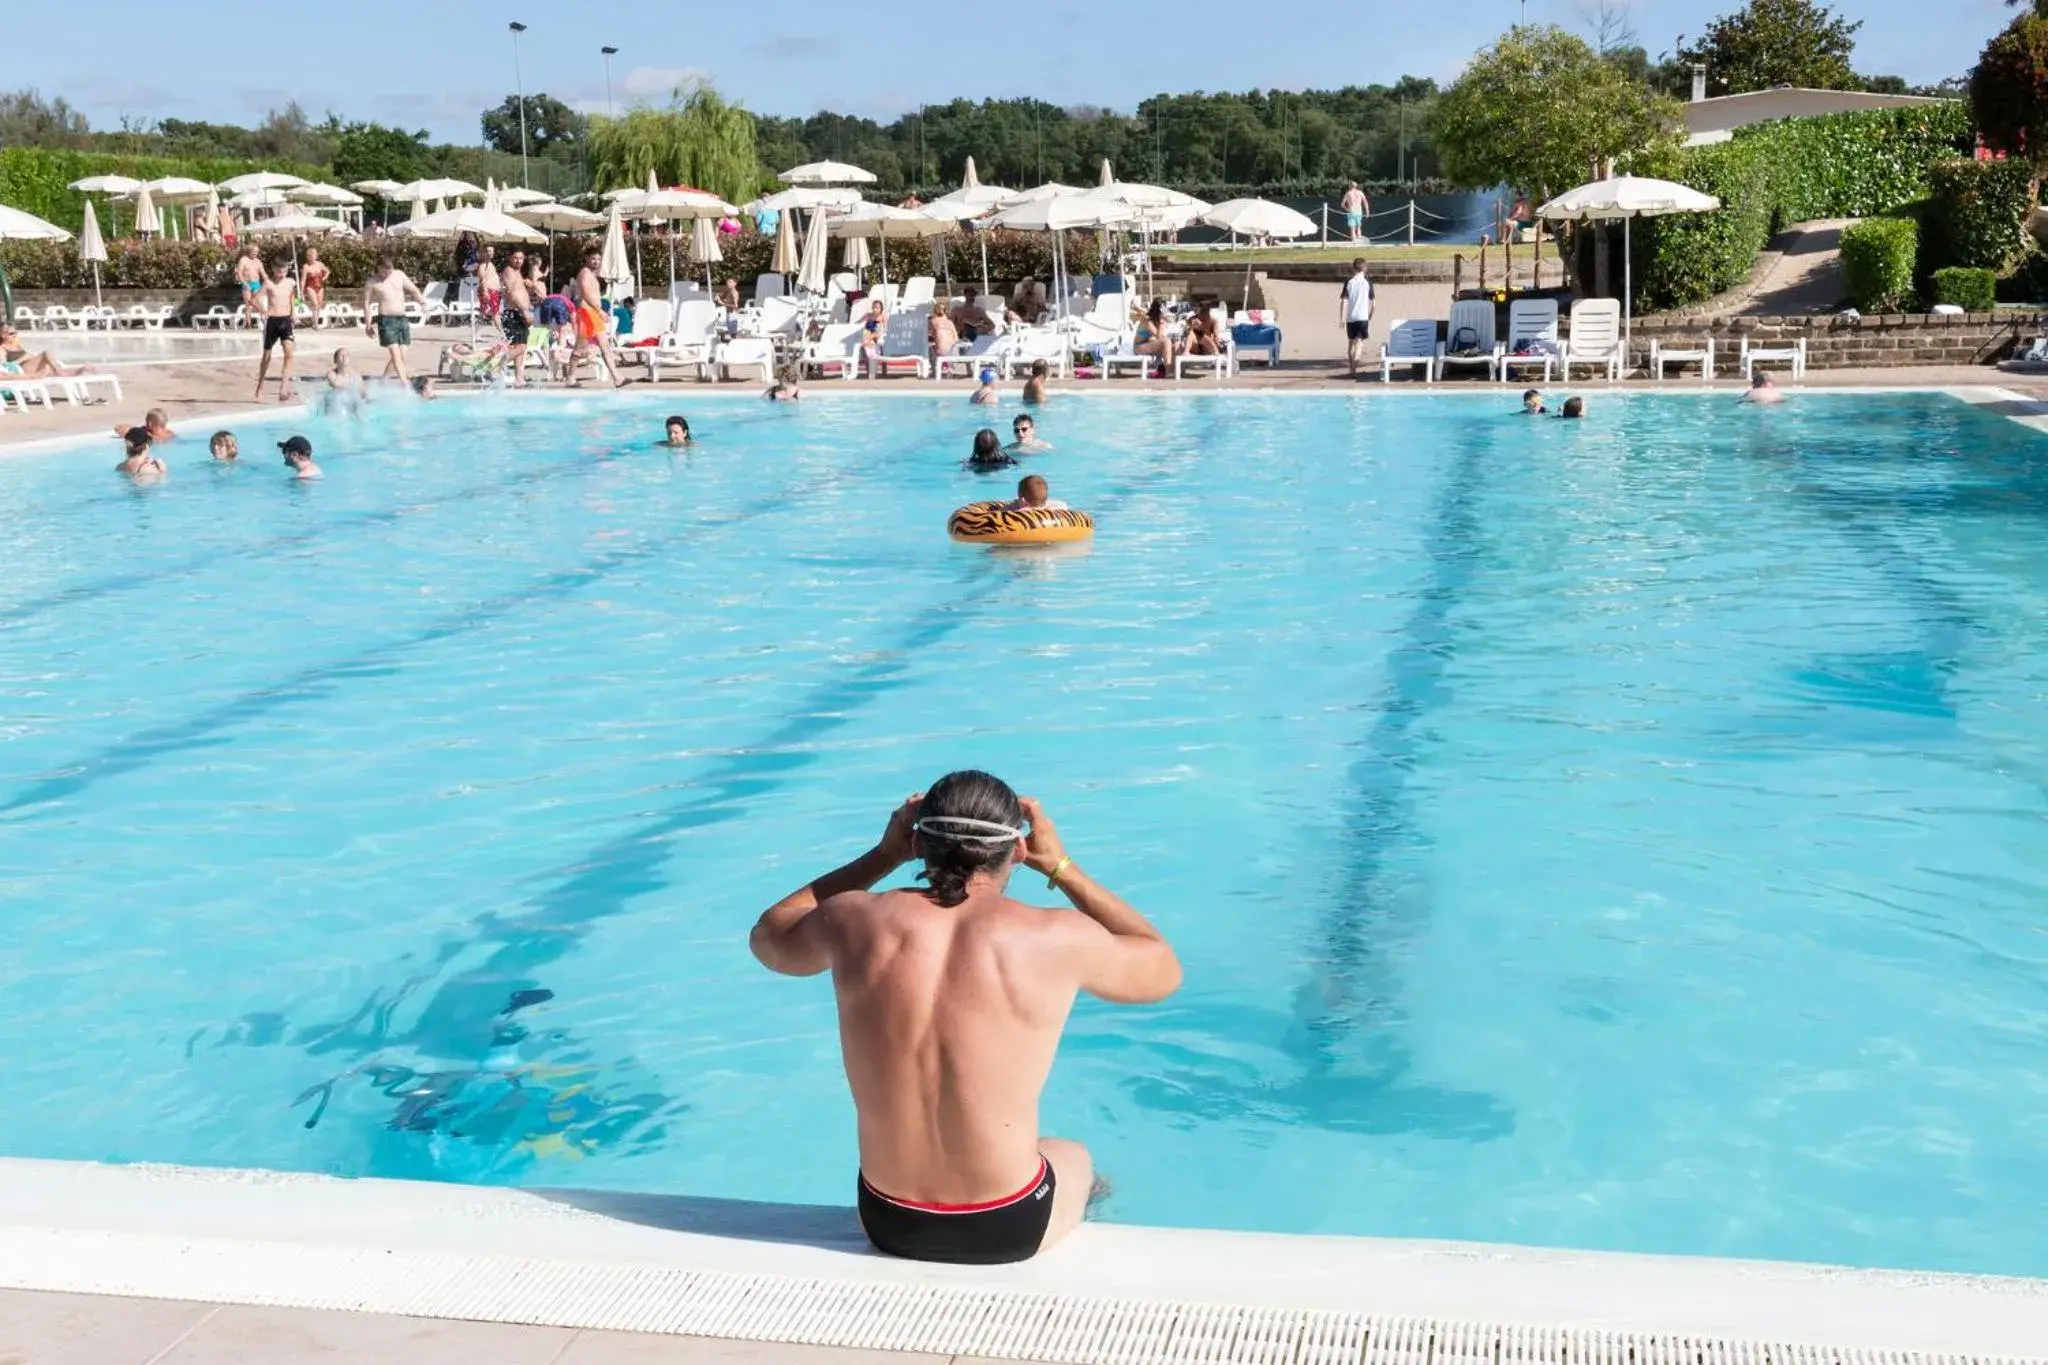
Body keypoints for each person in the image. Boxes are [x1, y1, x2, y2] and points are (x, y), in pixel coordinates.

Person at [749, 773, 1180, 1265]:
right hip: (1009, 1223)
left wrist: (884, 856)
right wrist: (1060, 866)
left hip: (888, 1220)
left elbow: (770, 935)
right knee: (1072, 1154)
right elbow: (1161, 968)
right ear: (1017, 848)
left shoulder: (851, 919)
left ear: (917, 842)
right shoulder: (1057, 936)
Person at [364, 253, 427, 382]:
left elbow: (414, 290)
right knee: (396, 355)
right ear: (379, 267)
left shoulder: (399, 275)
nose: (387, 274)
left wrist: (422, 302)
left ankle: (383, 381)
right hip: (386, 321)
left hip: (402, 319)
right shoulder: (372, 282)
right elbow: (366, 304)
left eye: (389, 270)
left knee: (402, 355)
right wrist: (368, 324)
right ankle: (406, 385)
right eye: (384, 271)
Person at [570, 248, 625, 389]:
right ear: (587, 258)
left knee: (605, 346)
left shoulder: (593, 275)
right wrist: (600, 310)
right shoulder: (584, 273)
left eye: (598, 259)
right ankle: (570, 377)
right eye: (593, 258)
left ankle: (616, 377)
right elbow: (587, 295)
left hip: (593, 314)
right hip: (587, 313)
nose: (596, 261)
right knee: (580, 349)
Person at [252, 260, 297, 402]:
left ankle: (283, 388)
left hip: (286, 320)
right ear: (272, 269)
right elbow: (254, 299)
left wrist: (293, 312)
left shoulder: (291, 282)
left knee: (289, 352)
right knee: (266, 357)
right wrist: (263, 310)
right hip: (272, 321)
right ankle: (260, 386)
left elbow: (291, 296)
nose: (281, 274)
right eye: (278, 271)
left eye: (284, 271)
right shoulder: (268, 283)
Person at [1, 324, 90, 379]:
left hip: (31, 365)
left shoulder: (15, 345)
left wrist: (30, 356)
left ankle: (70, 371)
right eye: (11, 333)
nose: (15, 335)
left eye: (15, 333)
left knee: (49, 366)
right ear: (3, 335)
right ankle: (63, 372)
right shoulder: (2, 348)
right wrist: (23, 358)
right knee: (46, 353)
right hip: (23, 369)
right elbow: (5, 366)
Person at [500, 248, 534, 388]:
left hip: (518, 312)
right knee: (520, 347)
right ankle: (498, 364)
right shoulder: (508, 271)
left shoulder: (517, 272)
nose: (518, 260)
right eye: (515, 257)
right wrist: (524, 311)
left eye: (521, 258)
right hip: (514, 313)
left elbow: (521, 292)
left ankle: (519, 379)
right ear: (509, 257)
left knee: (520, 347)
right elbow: (512, 294)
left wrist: (530, 287)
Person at [1340, 257, 1374, 377]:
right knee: (1359, 343)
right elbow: (1373, 303)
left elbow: (1344, 301)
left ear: (1353, 268)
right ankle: (1354, 370)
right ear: (1365, 268)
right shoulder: (1367, 282)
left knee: (1351, 343)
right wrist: (1370, 316)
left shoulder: (1349, 282)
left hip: (1351, 317)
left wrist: (1342, 319)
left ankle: (1351, 369)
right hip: (1363, 317)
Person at [319, 348, 365, 416]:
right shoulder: (332, 374)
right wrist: (352, 389)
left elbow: (362, 392)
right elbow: (336, 385)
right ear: (335, 360)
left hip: (351, 405)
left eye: (346, 355)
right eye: (341, 355)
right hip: (333, 406)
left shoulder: (356, 375)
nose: (344, 357)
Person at [1132, 301, 1175, 375]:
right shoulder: (1147, 320)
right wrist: (1162, 322)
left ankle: (1170, 370)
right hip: (1139, 347)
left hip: (1148, 345)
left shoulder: (1155, 320)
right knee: (1166, 341)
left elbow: (1159, 337)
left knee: (1174, 344)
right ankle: (1168, 372)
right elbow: (1159, 337)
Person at [111, 407, 176, 443]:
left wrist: (134, 428)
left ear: (149, 424)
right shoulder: (170, 434)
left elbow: (117, 428)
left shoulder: (147, 435)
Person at [301, 246, 330, 326]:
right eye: (312, 255)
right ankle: (315, 322)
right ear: (308, 256)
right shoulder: (306, 266)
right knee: (315, 303)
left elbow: (327, 271)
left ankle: (315, 320)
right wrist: (302, 292)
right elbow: (303, 280)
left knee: (319, 304)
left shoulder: (320, 264)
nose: (314, 256)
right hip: (310, 286)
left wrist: (324, 278)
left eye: (315, 254)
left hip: (320, 286)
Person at [860, 297, 888, 378]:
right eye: (874, 307)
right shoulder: (868, 315)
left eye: (877, 307)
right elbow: (858, 323)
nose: (875, 309)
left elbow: (884, 330)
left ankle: (873, 371)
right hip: (867, 335)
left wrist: (873, 336)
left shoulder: (882, 317)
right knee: (866, 346)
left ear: (881, 309)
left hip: (878, 336)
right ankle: (870, 370)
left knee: (870, 345)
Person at [232, 246, 264, 316]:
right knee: (248, 305)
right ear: (250, 251)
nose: (256, 253)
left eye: (257, 252)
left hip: (256, 284)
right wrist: (245, 284)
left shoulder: (258, 261)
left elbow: (263, 274)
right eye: (254, 251)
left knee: (259, 303)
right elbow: (239, 273)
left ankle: (262, 321)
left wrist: (269, 282)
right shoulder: (243, 260)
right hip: (247, 283)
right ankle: (248, 324)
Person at [476, 245, 502, 326]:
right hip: (489, 292)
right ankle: (503, 335)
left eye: (492, 251)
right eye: (488, 251)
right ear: (483, 253)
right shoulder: (483, 265)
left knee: (486, 313)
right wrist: (486, 291)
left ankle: (475, 333)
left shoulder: (490, 264)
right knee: (495, 314)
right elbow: (482, 279)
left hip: (493, 292)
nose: (491, 253)